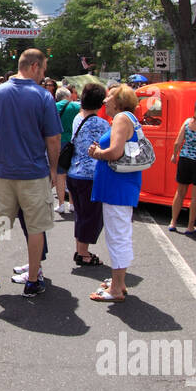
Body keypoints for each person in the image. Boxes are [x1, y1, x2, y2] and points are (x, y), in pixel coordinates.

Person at [0, 49, 62, 298]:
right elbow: (53, 138)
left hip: (3, 173)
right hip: (33, 174)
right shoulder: (43, 97)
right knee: (35, 228)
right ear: (34, 66)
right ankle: (32, 281)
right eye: (43, 69)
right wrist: (53, 169)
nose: (44, 74)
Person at [84, 85, 144, 302]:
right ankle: (119, 281)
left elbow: (116, 152)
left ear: (118, 100)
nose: (104, 101)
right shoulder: (128, 118)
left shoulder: (121, 119)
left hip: (117, 186)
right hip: (120, 185)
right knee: (119, 233)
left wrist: (97, 153)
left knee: (117, 235)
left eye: (108, 97)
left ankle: (116, 288)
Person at [67, 83, 109, 268]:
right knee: (91, 215)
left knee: (81, 214)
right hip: (91, 175)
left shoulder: (78, 117)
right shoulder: (101, 123)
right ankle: (83, 253)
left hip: (73, 171)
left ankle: (80, 249)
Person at [169, 99, 196, 232]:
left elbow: (178, 141)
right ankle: (190, 226)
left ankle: (173, 222)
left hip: (184, 159)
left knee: (180, 192)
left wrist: (174, 155)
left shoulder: (188, 122)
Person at [53, 86, 80, 214]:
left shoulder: (54, 107)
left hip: (58, 142)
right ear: (68, 96)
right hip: (73, 142)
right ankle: (73, 204)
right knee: (71, 173)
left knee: (60, 174)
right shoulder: (75, 107)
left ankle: (61, 204)